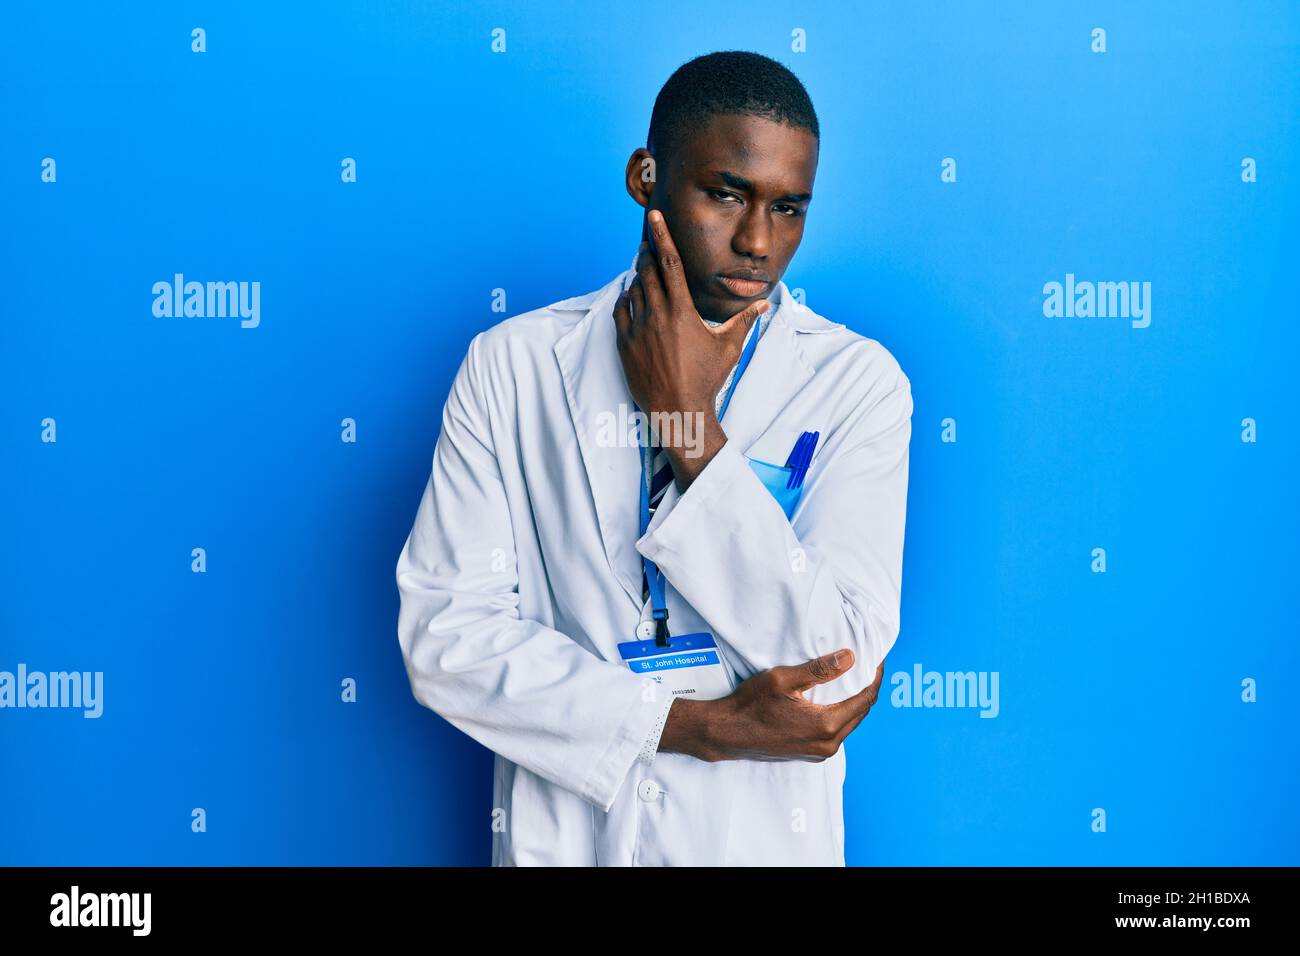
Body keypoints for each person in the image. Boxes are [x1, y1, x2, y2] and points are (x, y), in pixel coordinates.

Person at [395, 50, 912, 866]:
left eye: (789, 209)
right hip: (568, 841)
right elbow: (448, 638)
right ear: (646, 177)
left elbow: (835, 674)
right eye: (726, 193)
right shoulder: (513, 365)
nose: (756, 242)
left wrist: (690, 425)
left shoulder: (855, 384)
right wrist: (688, 727)